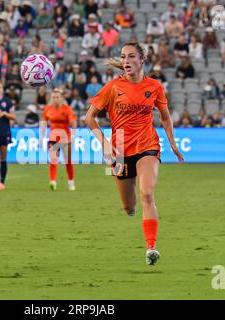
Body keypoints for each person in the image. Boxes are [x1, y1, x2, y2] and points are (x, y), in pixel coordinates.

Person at [84, 42, 184, 266]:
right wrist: (104, 143)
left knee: (147, 193)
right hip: (119, 151)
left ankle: (151, 247)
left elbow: (165, 117)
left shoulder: (155, 86)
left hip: (147, 145)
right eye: (123, 57)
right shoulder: (112, 87)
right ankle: (132, 210)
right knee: (129, 207)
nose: (126, 61)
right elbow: (89, 118)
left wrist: (173, 143)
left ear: (142, 60)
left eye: (131, 57)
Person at [40, 88, 77, 191]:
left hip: (66, 138)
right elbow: (43, 123)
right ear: (51, 98)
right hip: (53, 138)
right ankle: (53, 182)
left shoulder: (67, 109)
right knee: (53, 160)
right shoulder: (48, 109)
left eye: (57, 97)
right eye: (54, 97)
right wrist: (41, 137)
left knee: (68, 161)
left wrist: (73, 136)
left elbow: (73, 124)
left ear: (61, 98)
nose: (55, 99)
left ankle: (71, 182)